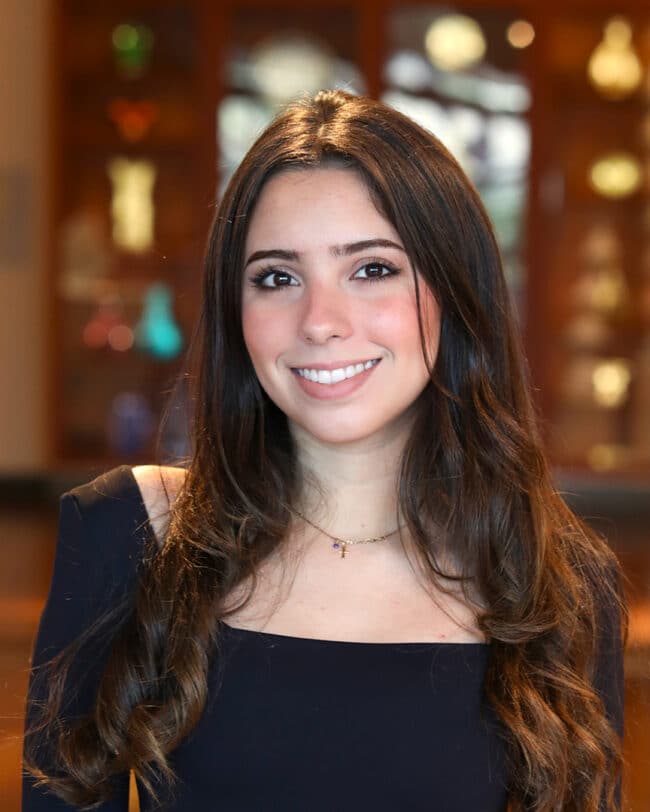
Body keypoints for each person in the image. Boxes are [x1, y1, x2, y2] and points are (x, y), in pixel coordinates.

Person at [23, 90, 625, 811]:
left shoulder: (563, 582)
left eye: (372, 269)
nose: (321, 322)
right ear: (235, 312)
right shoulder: (130, 533)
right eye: (277, 278)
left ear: (454, 290)